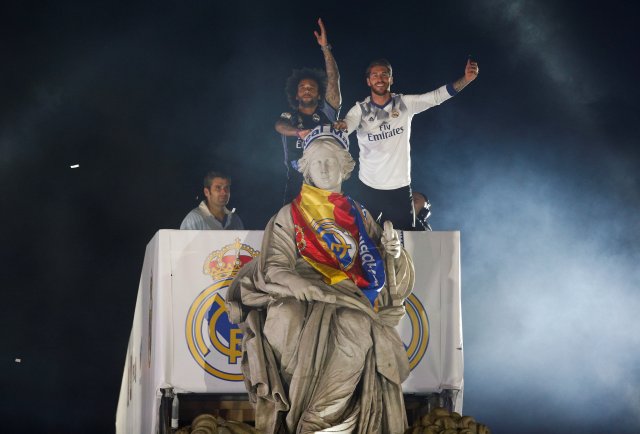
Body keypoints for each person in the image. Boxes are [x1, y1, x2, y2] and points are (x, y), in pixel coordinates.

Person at [227, 133, 415, 434]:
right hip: (296, 290)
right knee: (286, 317)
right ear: (307, 169)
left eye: (331, 162)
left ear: (344, 168)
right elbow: (275, 265)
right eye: (318, 163)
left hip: (348, 295)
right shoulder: (289, 215)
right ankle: (289, 414)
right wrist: (297, 284)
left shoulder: (359, 214)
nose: (325, 169)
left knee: (356, 324)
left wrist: (392, 252)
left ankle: (319, 419)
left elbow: (381, 264)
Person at [334, 57, 479, 230]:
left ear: (391, 79)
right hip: (368, 187)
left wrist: (466, 80)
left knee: (405, 242)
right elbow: (348, 124)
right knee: (363, 240)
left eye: (384, 75)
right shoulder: (360, 109)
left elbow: (436, 97)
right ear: (368, 81)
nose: (379, 79)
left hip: (399, 188)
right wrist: (342, 126)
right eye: (374, 75)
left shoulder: (404, 104)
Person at [275, 18, 341, 204]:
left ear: (319, 94)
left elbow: (333, 79)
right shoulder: (289, 117)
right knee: (294, 231)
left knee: (326, 231)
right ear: (296, 95)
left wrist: (325, 48)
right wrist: (298, 132)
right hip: (297, 183)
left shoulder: (327, 112)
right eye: (302, 87)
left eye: (312, 87)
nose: (307, 89)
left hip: (326, 182)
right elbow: (279, 126)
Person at [180, 171, 244, 230]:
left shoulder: (235, 219)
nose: (224, 192)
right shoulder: (193, 220)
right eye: (218, 188)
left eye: (226, 187)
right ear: (206, 192)